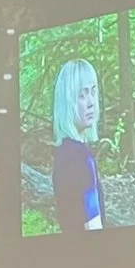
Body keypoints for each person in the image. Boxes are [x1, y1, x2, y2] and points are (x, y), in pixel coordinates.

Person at [50, 58, 104, 231]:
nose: (91, 102)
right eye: (82, 95)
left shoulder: (62, 154)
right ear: (67, 102)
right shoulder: (81, 158)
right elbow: (93, 228)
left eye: (93, 92)